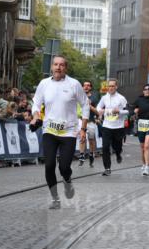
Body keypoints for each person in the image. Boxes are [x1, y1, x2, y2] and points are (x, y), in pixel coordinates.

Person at [30, 56, 88, 208]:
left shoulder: (74, 84)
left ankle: (67, 181)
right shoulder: (44, 84)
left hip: (68, 132)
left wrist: (83, 128)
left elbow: (85, 104)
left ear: (65, 68)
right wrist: (35, 116)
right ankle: (55, 198)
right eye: (55, 64)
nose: (58, 67)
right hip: (49, 130)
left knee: (64, 167)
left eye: (61, 65)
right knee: (49, 165)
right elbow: (36, 103)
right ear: (51, 67)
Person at [96, 78, 128, 176]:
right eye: (109, 86)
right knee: (105, 147)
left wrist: (119, 111)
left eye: (112, 86)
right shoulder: (104, 98)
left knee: (117, 146)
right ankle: (107, 168)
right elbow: (98, 107)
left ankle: (118, 154)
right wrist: (100, 110)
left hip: (118, 127)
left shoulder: (121, 98)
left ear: (116, 87)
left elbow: (127, 111)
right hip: (106, 126)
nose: (110, 88)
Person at [131, 84, 149, 176]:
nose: (147, 91)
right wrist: (135, 111)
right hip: (141, 125)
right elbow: (131, 109)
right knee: (143, 148)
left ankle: (147, 168)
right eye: (145, 89)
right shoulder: (139, 100)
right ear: (143, 91)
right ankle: (144, 164)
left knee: (147, 146)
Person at [77, 80, 99, 168]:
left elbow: (98, 111)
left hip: (90, 121)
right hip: (80, 121)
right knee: (82, 138)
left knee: (91, 139)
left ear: (90, 87)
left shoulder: (94, 98)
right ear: (82, 87)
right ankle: (82, 155)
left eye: (88, 85)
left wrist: (89, 106)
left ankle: (91, 154)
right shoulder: (79, 97)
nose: (86, 87)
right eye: (84, 85)